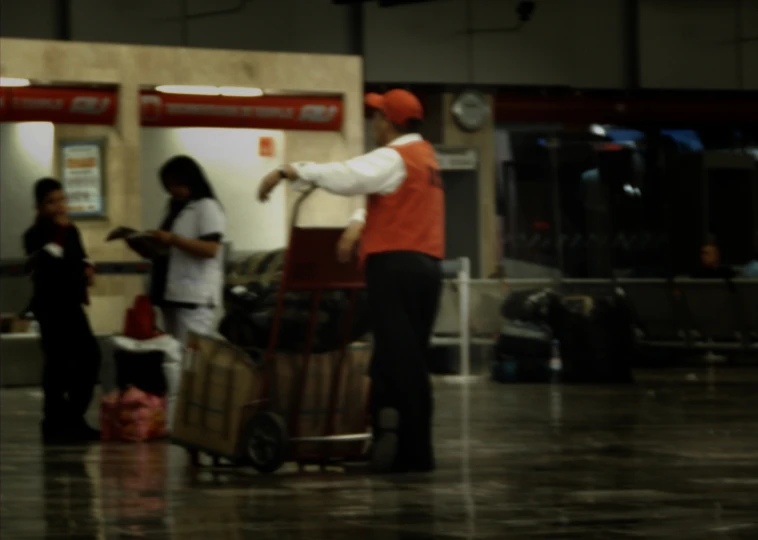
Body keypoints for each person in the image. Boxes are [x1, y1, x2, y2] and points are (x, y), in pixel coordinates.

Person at [257, 89, 445, 474]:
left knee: (400, 363)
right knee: (402, 361)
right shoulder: (424, 158)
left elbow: (350, 175)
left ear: (388, 122)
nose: (373, 123)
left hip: (395, 267)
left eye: (377, 117)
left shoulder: (394, 156)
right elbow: (381, 190)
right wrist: (359, 223)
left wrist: (292, 169)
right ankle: (400, 450)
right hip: (425, 266)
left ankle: (412, 456)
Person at [23, 178, 101, 444]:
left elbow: (79, 257)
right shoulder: (34, 235)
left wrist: (88, 267)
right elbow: (48, 261)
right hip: (50, 307)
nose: (59, 207)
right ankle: (54, 423)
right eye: (52, 202)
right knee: (58, 364)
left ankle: (73, 418)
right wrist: (61, 231)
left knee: (89, 358)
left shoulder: (71, 231)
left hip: (72, 304)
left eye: (62, 200)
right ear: (40, 206)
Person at [128, 155, 225, 345]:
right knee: (173, 354)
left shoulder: (207, 207)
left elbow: (211, 249)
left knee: (188, 358)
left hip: (194, 297)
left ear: (190, 180)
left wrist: (172, 239)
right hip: (170, 293)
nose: (173, 190)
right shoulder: (176, 210)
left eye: (176, 184)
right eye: (169, 186)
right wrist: (141, 244)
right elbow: (167, 252)